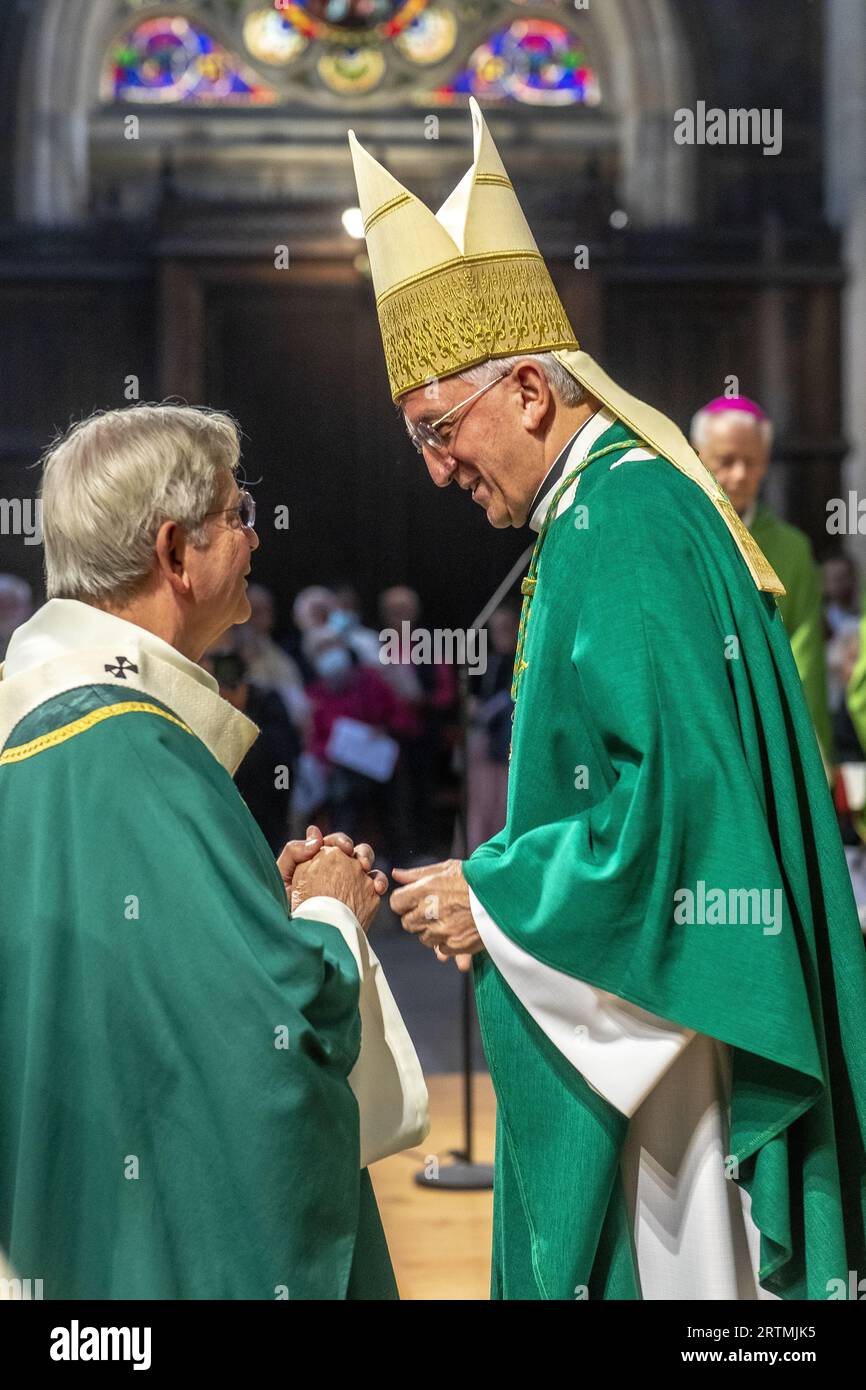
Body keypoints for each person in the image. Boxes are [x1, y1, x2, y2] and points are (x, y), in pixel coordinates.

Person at [349, 100, 866, 1300]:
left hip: (680, 1052)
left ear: (528, 388)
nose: (435, 468)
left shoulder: (618, 521)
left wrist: (494, 899)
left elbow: (687, 811)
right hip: (654, 1010)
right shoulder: (602, 510)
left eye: (438, 428)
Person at [0, 404, 427, 1299]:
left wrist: (239, 913)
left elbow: (145, 979)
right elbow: (261, 1031)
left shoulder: (46, 717)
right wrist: (328, 911)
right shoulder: (126, 741)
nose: (255, 540)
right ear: (172, 552)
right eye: (238, 516)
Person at [691, 395, 833, 761]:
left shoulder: (792, 548)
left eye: (751, 462)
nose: (739, 474)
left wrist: (814, 756)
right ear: (697, 455)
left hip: (771, 740)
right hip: (696, 728)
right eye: (726, 461)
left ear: (766, 464)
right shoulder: (677, 537)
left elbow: (804, 658)